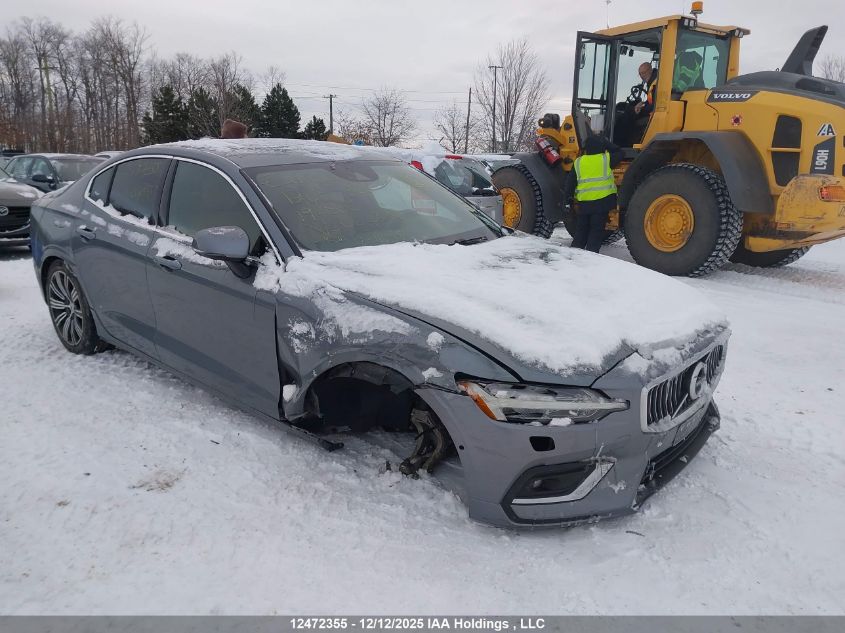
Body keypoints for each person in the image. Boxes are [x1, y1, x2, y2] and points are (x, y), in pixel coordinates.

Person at [568, 135, 622, 253]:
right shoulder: (606, 159)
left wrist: (567, 199)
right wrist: (607, 143)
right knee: (596, 232)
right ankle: (591, 257)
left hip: (584, 204)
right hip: (601, 204)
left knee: (581, 231)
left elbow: (570, 182)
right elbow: (620, 152)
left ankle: (574, 255)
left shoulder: (579, 162)